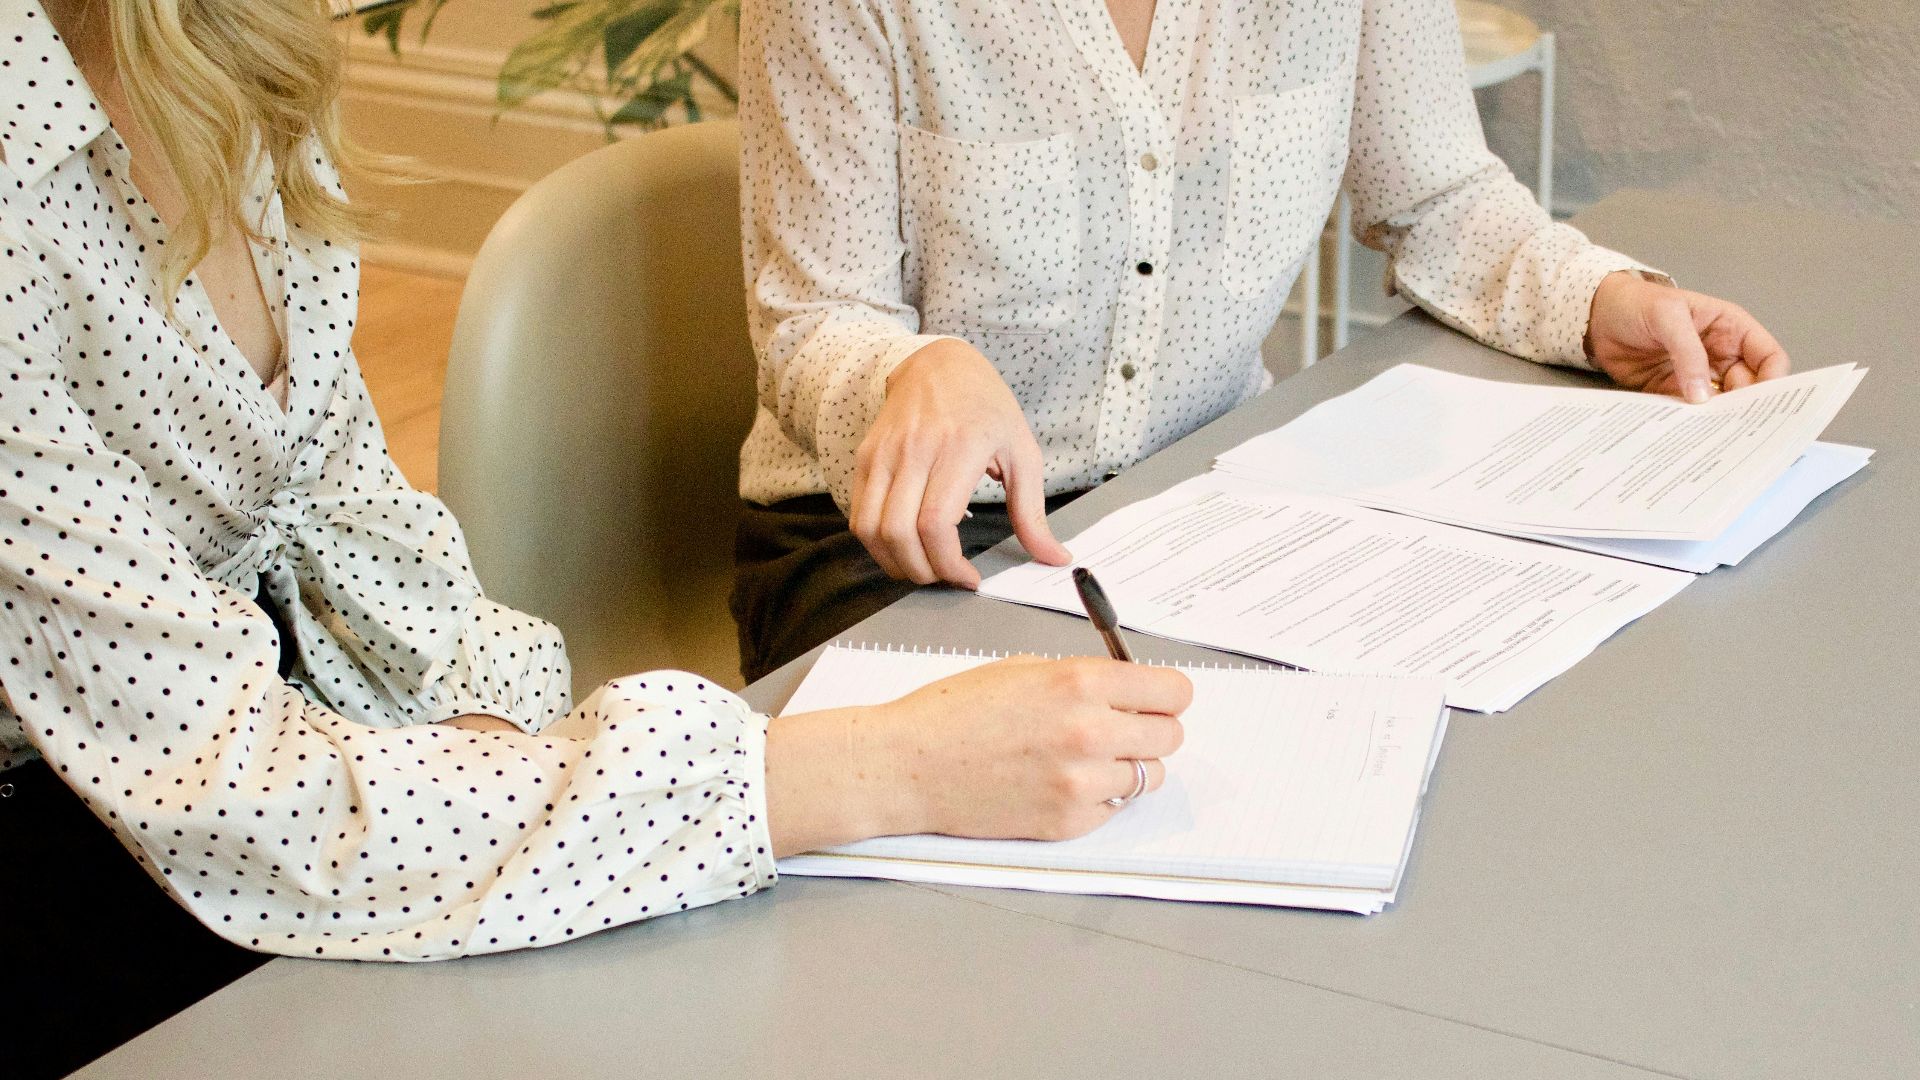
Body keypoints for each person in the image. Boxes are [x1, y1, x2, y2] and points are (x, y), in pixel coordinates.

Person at [0, 1, 1190, 1072]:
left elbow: (356, 527)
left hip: (285, 761)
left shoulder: (229, 52)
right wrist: (883, 770)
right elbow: (245, 797)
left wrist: (496, 748)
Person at [731, 0, 1794, 682]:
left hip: (1196, 516)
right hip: (893, 547)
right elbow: (812, 318)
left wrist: (1596, 296)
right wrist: (912, 372)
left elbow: (1435, 193)